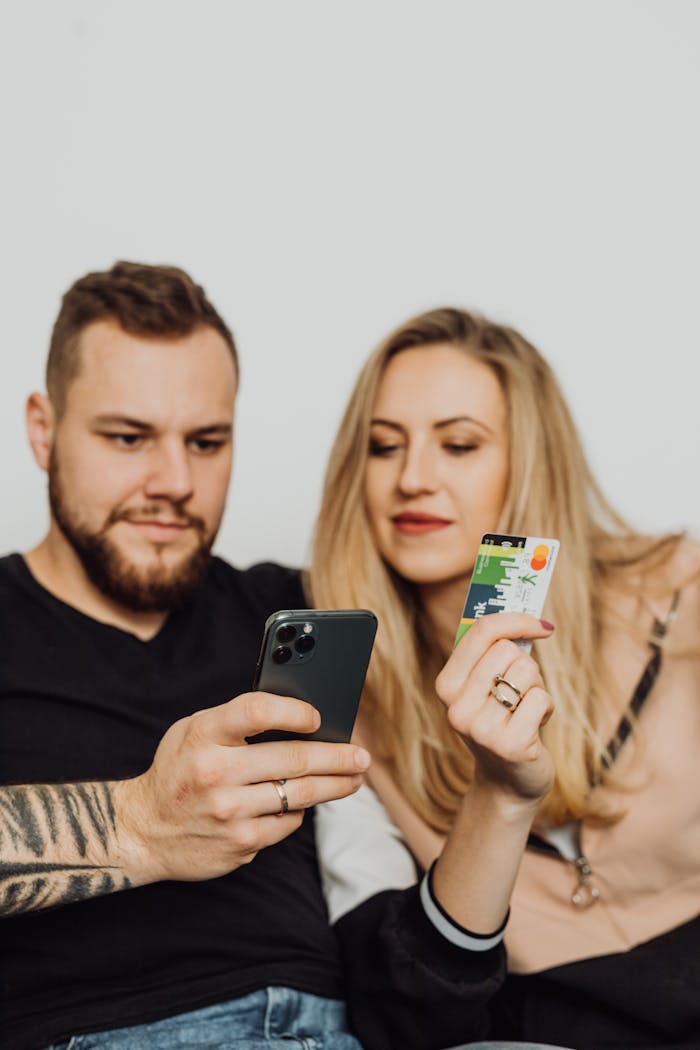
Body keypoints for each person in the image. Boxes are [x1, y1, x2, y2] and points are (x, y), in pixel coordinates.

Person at [0, 261, 373, 1050]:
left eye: (206, 442)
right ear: (43, 428)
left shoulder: (295, 612)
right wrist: (138, 825)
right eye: (128, 437)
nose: (175, 481)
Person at [309, 307, 700, 1049]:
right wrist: (498, 794)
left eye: (458, 445)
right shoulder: (351, 713)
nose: (413, 479)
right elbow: (405, 1017)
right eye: (384, 447)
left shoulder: (680, 595)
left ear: (531, 461)